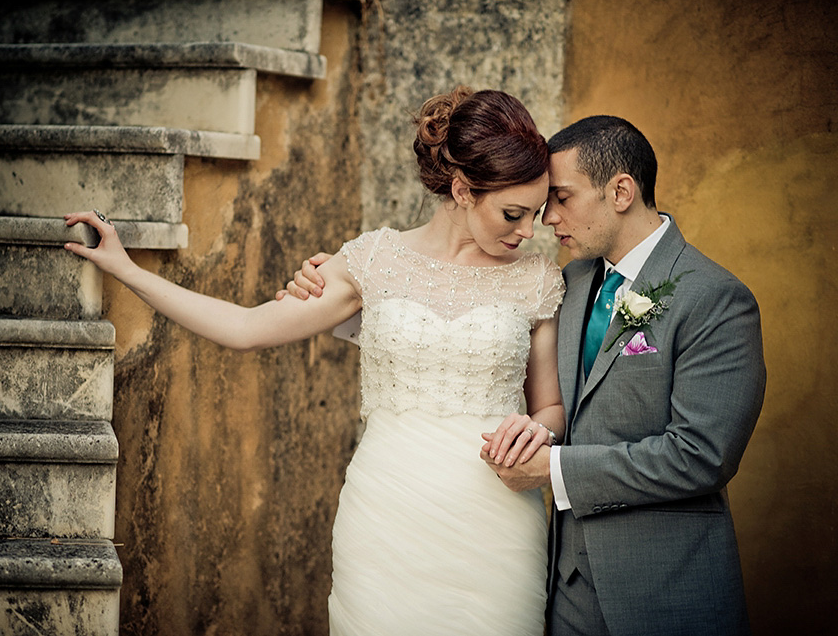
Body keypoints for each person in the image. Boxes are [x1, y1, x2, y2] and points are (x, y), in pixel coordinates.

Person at [65, 86, 567, 636]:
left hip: (496, 517)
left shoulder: (535, 279)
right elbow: (245, 327)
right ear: (463, 189)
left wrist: (534, 432)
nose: (529, 231)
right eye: (514, 213)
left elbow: (551, 407)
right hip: (387, 509)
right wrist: (129, 270)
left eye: (536, 214)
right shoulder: (374, 261)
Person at [287, 116, 766, 636]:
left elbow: (703, 456)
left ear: (621, 191)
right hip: (563, 584)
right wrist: (328, 288)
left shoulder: (714, 297)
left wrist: (552, 470)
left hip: (662, 584)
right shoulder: (571, 279)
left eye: (561, 198)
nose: (546, 219)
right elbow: (470, 331)